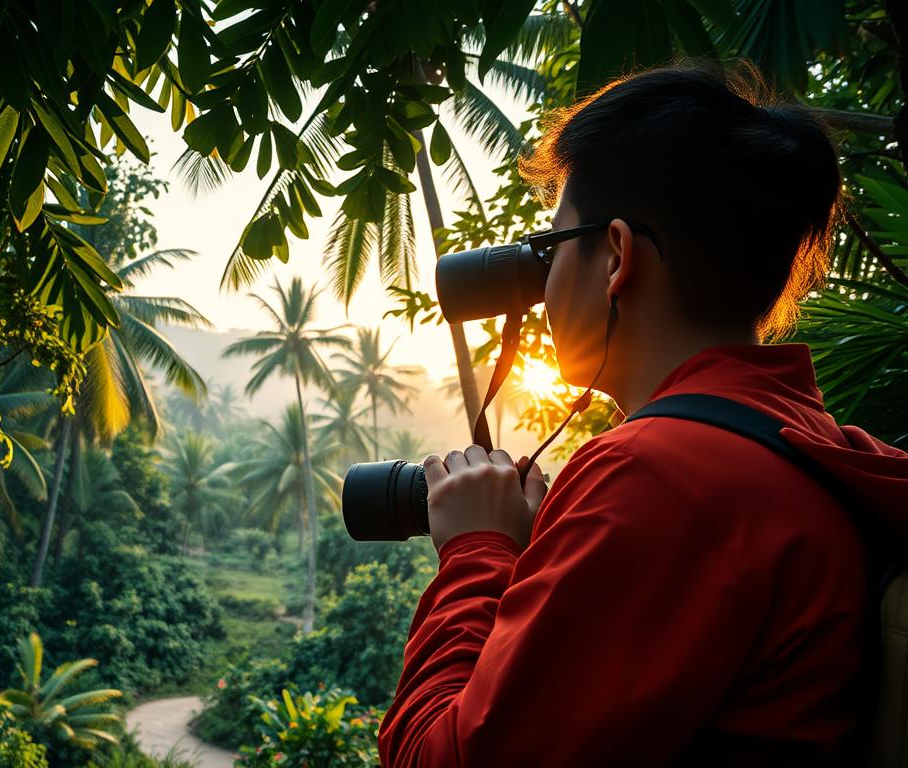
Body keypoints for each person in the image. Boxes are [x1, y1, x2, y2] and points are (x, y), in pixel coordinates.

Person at [378, 62, 908, 766]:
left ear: (616, 256)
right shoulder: (817, 448)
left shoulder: (657, 478)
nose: (542, 287)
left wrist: (477, 551)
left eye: (549, 249)